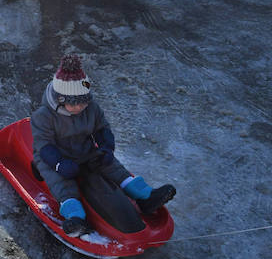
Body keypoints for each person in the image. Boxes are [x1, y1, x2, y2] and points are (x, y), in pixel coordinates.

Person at [31, 55, 176, 237]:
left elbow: (102, 129)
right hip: (56, 156)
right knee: (60, 182)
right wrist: (59, 164)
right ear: (60, 99)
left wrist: (106, 148)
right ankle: (75, 218)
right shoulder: (43, 116)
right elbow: (44, 145)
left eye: (84, 101)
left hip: (84, 149)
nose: (81, 107)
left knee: (113, 166)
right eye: (75, 103)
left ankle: (145, 196)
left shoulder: (91, 108)